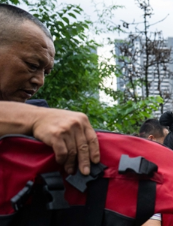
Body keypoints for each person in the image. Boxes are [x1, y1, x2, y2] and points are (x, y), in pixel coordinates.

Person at [0, 4, 99, 175]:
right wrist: (34, 117)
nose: (40, 81)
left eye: (45, 72)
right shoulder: (36, 118)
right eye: (32, 65)